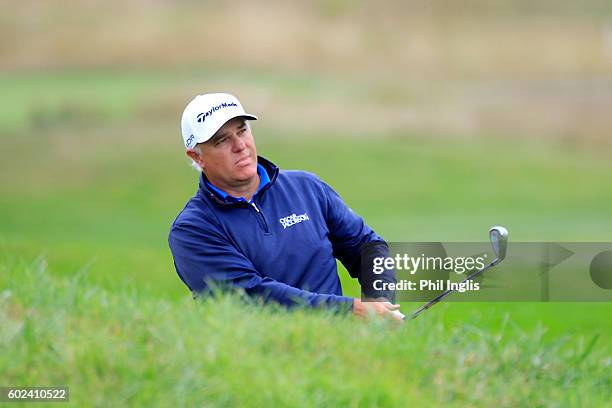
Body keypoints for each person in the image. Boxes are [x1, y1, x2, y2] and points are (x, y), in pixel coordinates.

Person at [168, 92, 401, 321]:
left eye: (242, 130)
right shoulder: (192, 230)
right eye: (222, 140)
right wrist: (350, 310)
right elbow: (249, 295)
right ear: (197, 157)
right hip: (261, 354)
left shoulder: (307, 188)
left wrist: (379, 302)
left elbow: (368, 246)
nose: (240, 145)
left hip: (336, 348)